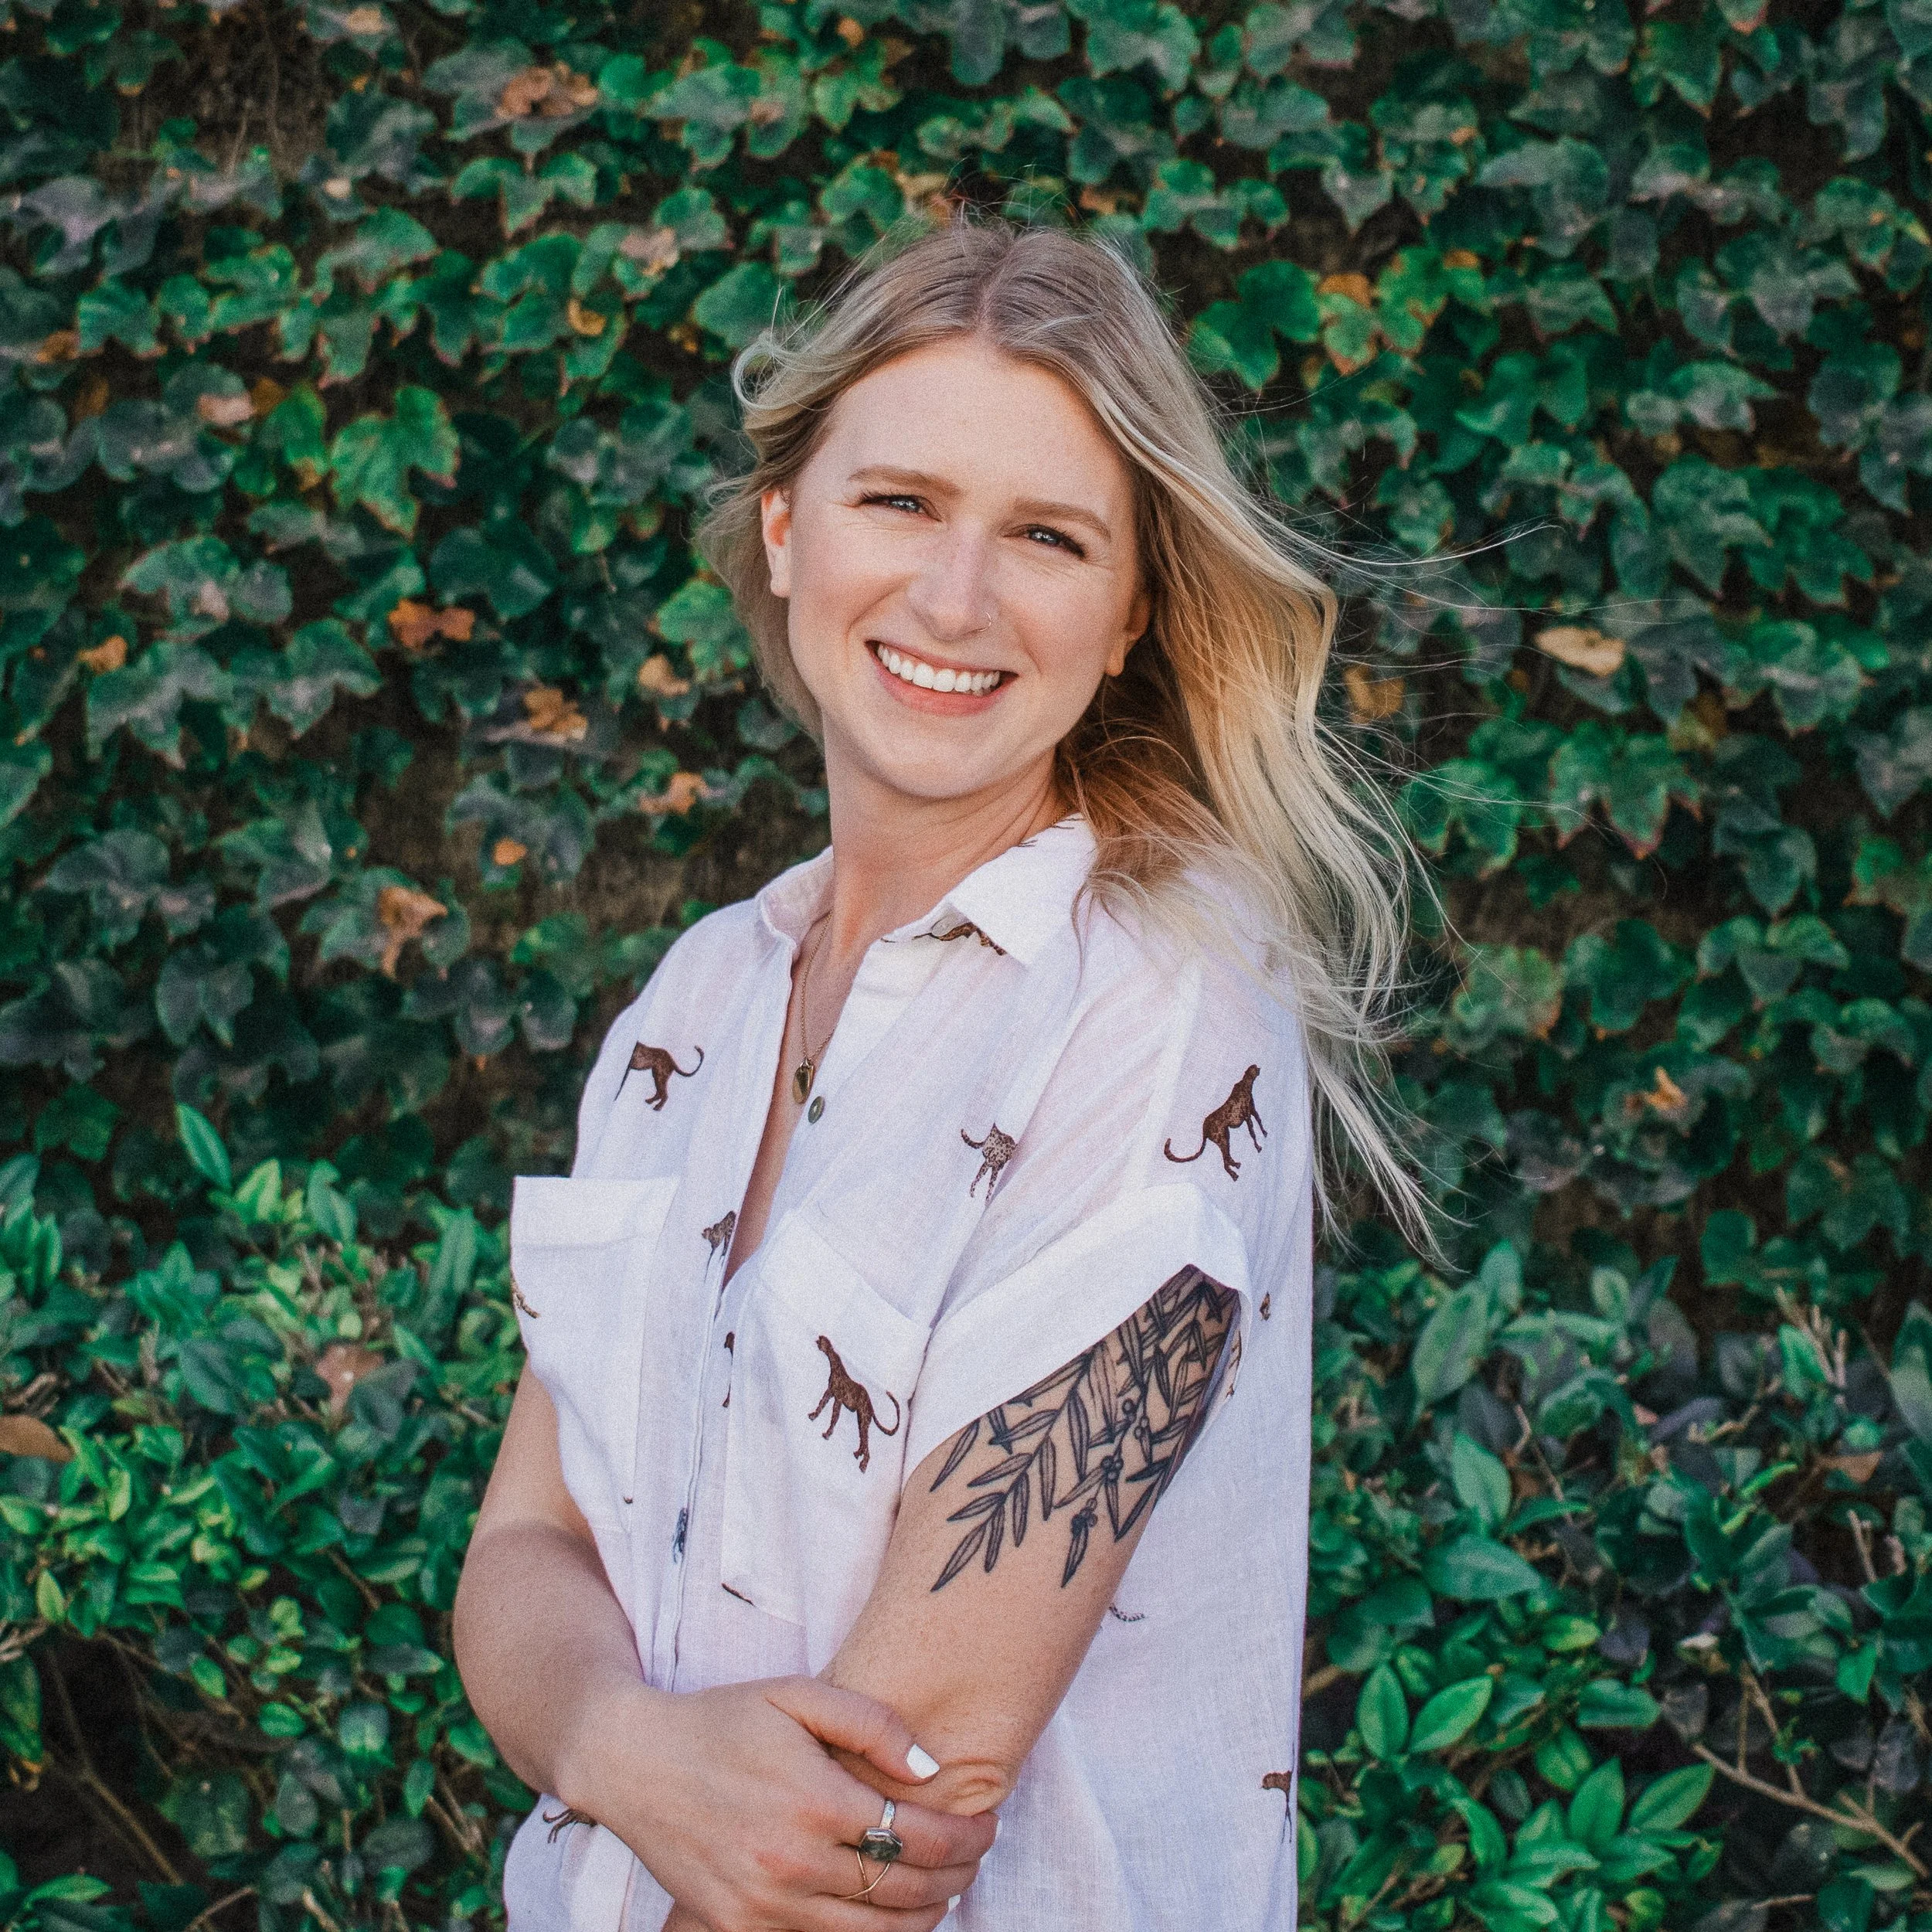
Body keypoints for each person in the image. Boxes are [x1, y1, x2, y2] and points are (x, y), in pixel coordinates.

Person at [452, 212, 1422, 1932]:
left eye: (1045, 535)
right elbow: (528, 1549)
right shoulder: (692, 1007)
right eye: (898, 501)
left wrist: (644, 1765)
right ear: (781, 525)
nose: (954, 598)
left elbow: (890, 1819)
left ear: (1128, 616)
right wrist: (623, 1738)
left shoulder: (1156, 1017)